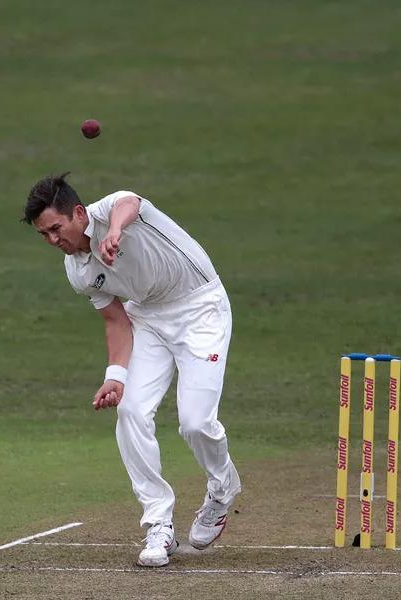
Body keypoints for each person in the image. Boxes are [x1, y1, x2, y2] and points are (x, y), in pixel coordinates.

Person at [22, 173, 242, 566]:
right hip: (147, 318)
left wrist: (115, 231)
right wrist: (115, 377)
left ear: (78, 213)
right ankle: (159, 524)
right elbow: (116, 321)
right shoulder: (77, 271)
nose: (53, 240)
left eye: (56, 229)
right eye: (44, 235)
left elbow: (130, 204)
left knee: (195, 423)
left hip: (200, 308)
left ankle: (222, 490)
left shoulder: (112, 209)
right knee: (130, 411)